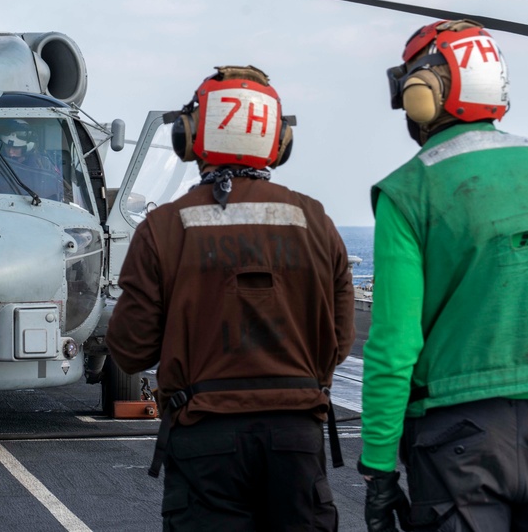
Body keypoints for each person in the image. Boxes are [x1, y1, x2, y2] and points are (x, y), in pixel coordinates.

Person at [106, 65, 355, 531]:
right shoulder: (315, 221)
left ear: (190, 136)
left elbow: (130, 349)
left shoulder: (163, 227)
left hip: (206, 442)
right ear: (278, 141)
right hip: (296, 440)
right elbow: (340, 343)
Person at [360, 19, 528, 531]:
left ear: (425, 91)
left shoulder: (409, 190)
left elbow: (394, 345)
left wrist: (377, 466)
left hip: (459, 442)